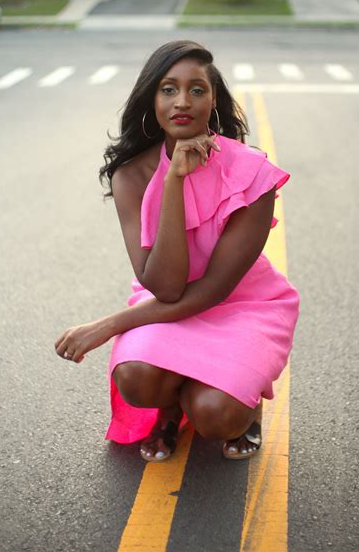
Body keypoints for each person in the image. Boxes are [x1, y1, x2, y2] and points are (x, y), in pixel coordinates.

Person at [54, 40, 299, 462]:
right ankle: (169, 410)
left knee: (216, 415)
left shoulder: (252, 173)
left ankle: (242, 404)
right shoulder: (131, 176)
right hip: (166, 302)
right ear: (152, 98)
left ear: (214, 100)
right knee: (135, 378)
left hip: (242, 307)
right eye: (169, 89)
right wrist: (174, 182)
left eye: (197, 89)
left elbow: (213, 292)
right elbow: (166, 286)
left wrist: (109, 325)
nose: (182, 101)